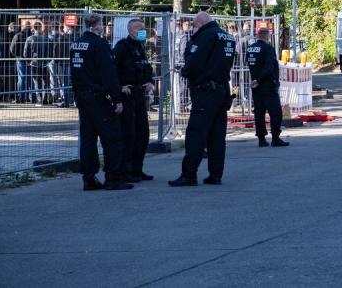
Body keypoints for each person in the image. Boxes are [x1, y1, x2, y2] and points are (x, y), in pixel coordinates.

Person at [169, 12, 236, 187]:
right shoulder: (227, 37)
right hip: (222, 89)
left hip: (205, 91)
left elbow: (194, 62)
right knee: (217, 135)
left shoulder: (205, 36)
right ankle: (215, 174)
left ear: (200, 23)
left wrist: (185, 71)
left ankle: (189, 174)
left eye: (194, 25)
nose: (193, 28)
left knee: (196, 133)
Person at [70, 14, 132, 191]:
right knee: (112, 138)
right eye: (101, 24)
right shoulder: (99, 44)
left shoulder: (77, 44)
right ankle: (113, 178)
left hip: (83, 97)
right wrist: (117, 99)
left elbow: (74, 73)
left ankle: (88, 178)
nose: (103, 27)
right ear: (97, 26)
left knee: (88, 138)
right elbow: (108, 74)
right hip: (99, 97)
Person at [114, 19, 155, 183]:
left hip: (139, 94)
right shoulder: (122, 46)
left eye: (144, 29)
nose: (143, 31)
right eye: (140, 29)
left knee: (143, 134)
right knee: (129, 134)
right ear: (131, 30)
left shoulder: (140, 46)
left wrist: (150, 81)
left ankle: (138, 169)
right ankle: (127, 170)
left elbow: (146, 68)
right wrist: (119, 87)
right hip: (128, 95)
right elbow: (113, 68)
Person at [247, 27, 288, 148]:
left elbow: (250, 64)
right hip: (267, 85)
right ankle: (275, 138)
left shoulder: (250, 49)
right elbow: (269, 68)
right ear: (267, 36)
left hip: (255, 85)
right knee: (275, 112)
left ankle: (261, 139)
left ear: (257, 35)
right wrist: (260, 80)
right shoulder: (268, 49)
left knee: (259, 113)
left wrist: (255, 80)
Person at [24, 21, 52, 105]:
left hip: (34, 63)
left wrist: (29, 61)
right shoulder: (47, 39)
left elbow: (25, 53)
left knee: (37, 83)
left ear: (34, 28)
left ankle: (39, 100)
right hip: (44, 63)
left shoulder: (29, 39)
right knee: (46, 82)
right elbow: (51, 53)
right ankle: (46, 99)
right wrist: (48, 61)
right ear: (40, 28)